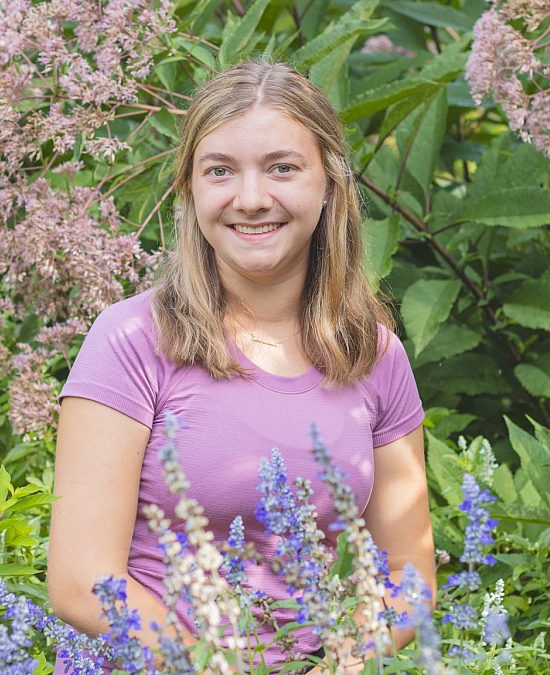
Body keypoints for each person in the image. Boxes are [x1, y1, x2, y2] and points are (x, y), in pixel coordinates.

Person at [47, 59, 436, 673]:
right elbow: (80, 581)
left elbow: (405, 582)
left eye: (282, 168)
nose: (251, 200)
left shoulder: (374, 354)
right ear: (190, 189)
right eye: (220, 171)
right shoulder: (130, 342)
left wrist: (338, 665)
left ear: (329, 183)